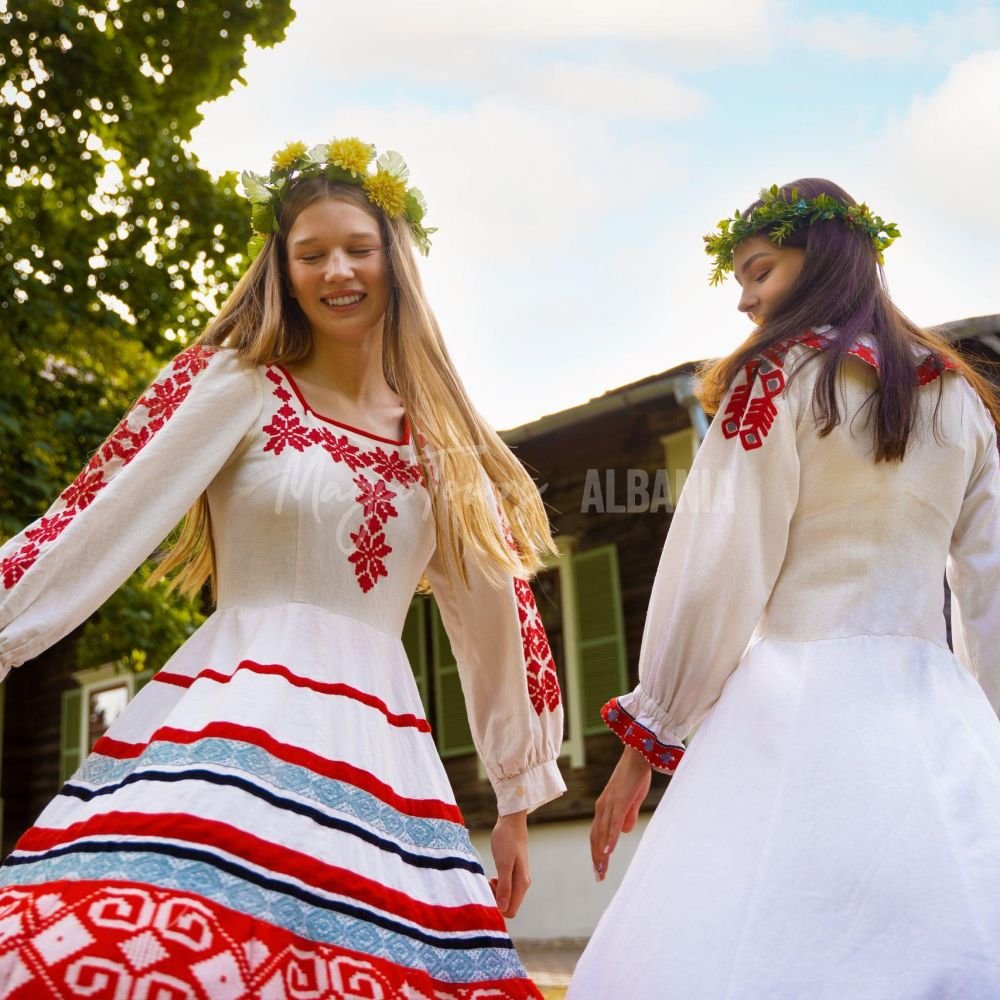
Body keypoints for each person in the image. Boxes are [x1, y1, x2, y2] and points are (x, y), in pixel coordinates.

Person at [0, 138, 565, 999]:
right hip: (231, 720)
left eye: (357, 248)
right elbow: (99, 511)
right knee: (154, 950)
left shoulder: (439, 440)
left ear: (395, 264)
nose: (336, 270)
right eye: (311, 253)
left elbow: (494, 606)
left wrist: (517, 796)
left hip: (381, 757)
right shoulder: (240, 384)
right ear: (284, 269)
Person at [568, 179, 1000, 999]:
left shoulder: (775, 377)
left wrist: (646, 737)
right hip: (937, 719)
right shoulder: (962, 402)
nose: (744, 300)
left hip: (799, 708)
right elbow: (991, 591)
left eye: (758, 271)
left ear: (822, 258)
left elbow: (720, 562)